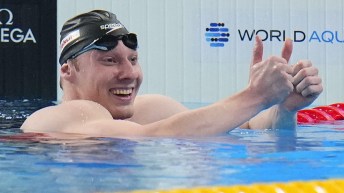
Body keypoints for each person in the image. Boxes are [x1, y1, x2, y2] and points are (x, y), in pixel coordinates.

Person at [20, 10, 323, 137]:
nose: (129, 73)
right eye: (110, 61)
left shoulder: (149, 109)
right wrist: (256, 94)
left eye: (133, 59)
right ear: (67, 70)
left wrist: (283, 106)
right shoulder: (56, 118)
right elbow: (147, 138)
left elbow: (251, 128)